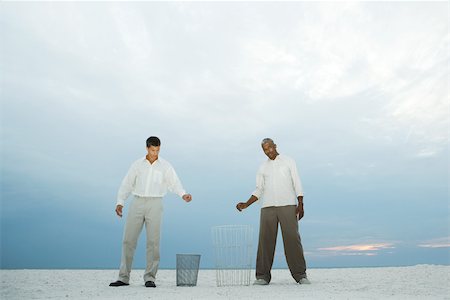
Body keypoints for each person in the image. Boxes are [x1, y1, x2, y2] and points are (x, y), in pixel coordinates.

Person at [110, 136, 192, 288]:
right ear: (147, 148)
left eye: (158, 150)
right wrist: (120, 202)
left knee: (153, 242)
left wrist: (183, 194)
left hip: (156, 203)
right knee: (128, 240)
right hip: (137, 201)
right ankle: (123, 277)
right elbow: (126, 184)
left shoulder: (165, 166)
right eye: (153, 150)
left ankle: (150, 278)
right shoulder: (137, 165)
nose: (155, 153)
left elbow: (174, 183)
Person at [236, 138, 310, 285]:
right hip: (267, 207)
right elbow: (259, 189)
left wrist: (300, 203)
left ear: (275, 146)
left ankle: (300, 275)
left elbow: (297, 181)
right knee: (265, 241)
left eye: (270, 147)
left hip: (288, 205)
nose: (268, 151)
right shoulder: (263, 167)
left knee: (292, 239)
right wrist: (246, 204)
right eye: (265, 149)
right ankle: (262, 276)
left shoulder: (289, 161)